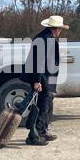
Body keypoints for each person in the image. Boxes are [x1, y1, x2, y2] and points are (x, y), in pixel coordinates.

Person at [21, 15, 69, 146]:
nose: (60, 31)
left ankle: (42, 130)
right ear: (57, 29)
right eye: (60, 29)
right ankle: (34, 135)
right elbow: (38, 62)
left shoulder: (45, 37)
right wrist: (37, 81)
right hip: (41, 77)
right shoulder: (45, 39)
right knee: (43, 105)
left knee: (48, 103)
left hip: (45, 76)